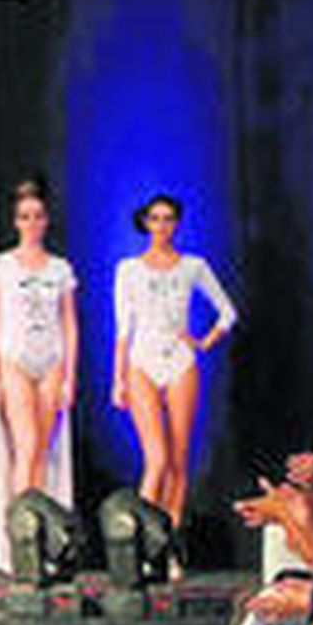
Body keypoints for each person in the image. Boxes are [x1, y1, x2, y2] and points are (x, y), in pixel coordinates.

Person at [112, 193, 238, 539]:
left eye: (168, 218)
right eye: (155, 218)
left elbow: (228, 312)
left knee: (179, 459)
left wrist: (202, 341)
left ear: (177, 223)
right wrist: (117, 379)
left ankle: (167, 544)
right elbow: (124, 327)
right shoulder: (129, 269)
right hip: (141, 360)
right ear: (145, 222)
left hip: (180, 362)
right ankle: (136, 539)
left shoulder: (192, 266)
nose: (162, 225)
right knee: (157, 459)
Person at [0, 179, 79, 572]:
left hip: (51, 359)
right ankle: (23, 541)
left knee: (42, 452)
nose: (31, 222)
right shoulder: (1, 266)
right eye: (24, 216)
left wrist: (70, 375)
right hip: (14, 360)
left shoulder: (60, 269)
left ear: (46, 220)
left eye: (37, 216)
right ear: (15, 221)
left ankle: (39, 533)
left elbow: (69, 324)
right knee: (25, 447)